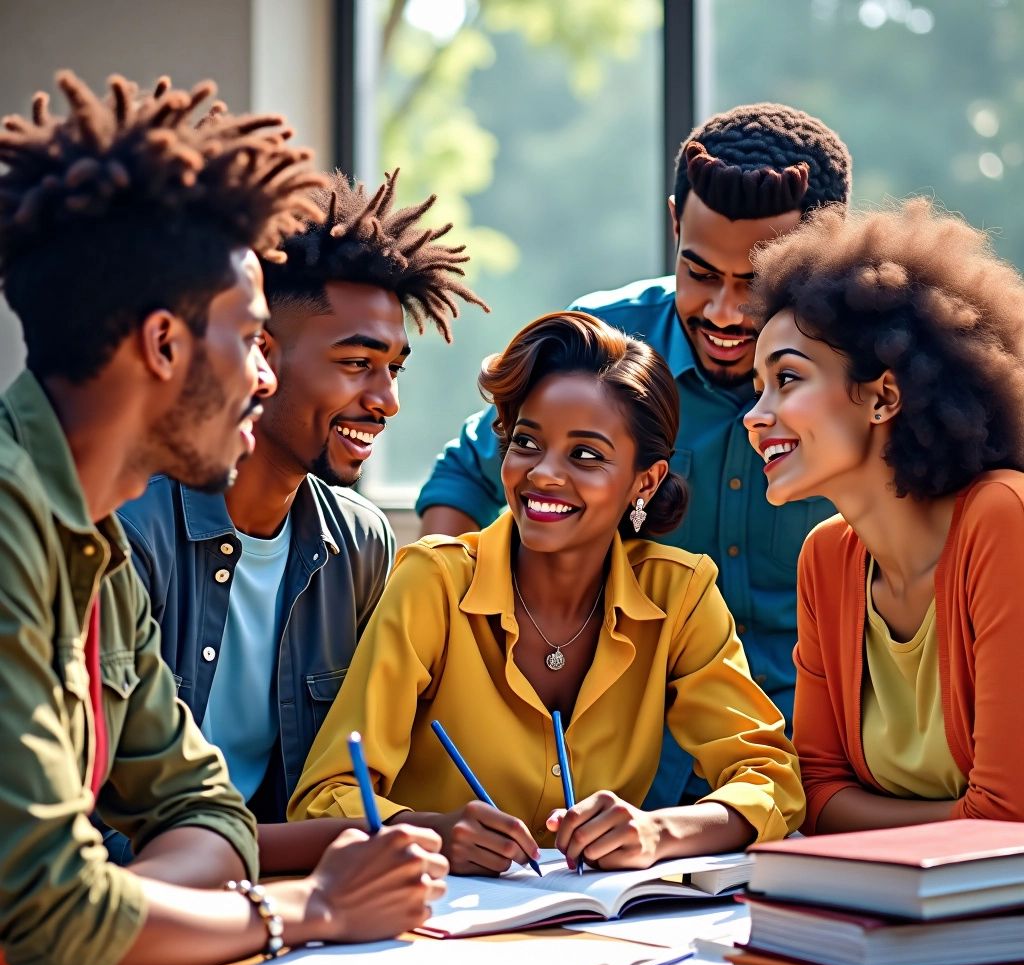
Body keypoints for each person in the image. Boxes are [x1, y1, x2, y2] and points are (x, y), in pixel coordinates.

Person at [0, 71, 446, 965]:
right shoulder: (13, 527)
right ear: (164, 346)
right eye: (250, 340)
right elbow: (57, 922)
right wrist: (306, 914)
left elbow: (203, 805)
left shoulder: (87, 543)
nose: (264, 377)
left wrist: (120, 919)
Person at [416, 103, 852, 807]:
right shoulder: (610, 348)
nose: (724, 313)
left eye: (757, 284)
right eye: (701, 273)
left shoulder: (865, 377)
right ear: (675, 224)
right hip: (624, 787)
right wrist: (464, 652)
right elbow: (468, 472)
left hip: (810, 780)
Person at [291, 311, 803, 873]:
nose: (544, 474)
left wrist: (657, 831)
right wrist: (434, 833)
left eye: (585, 455)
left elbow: (771, 779)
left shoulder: (679, 596)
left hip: (599, 933)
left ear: (645, 481)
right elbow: (324, 798)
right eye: (527, 442)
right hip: (432, 926)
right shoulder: (432, 582)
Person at [115, 169, 488, 838]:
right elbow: (113, 835)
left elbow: (349, 780)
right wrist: (387, 840)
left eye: (394, 368)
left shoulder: (361, 544)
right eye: (356, 363)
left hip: (298, 901)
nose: (386, 400)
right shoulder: (132, 531)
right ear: (260, 354)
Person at [743, 198, 1024, 835]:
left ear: (883, 397)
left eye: (787, 380)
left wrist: (876, 821)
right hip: (893, 908)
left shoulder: (1002, 519)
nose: (755, 417)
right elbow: (813, 794)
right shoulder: (827, 558)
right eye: (757, 387)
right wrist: (958, 819)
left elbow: (1006, 819)